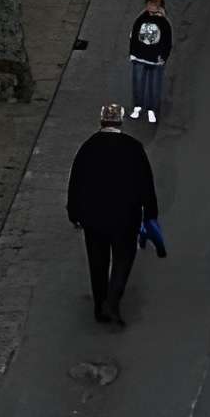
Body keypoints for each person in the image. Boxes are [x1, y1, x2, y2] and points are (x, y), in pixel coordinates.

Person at [64, 103, 158, 326]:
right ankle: (113, 300)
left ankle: (99, 305)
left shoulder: (88, 148)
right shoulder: (133, 147)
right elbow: (146, 182)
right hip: (126, 217)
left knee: (97, 261)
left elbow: (75, 182)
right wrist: (150, 212)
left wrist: (74, 212)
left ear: (101, 121)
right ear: (120, 122)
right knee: (123, 259)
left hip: (94, 218)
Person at [125, 0, 172, 123]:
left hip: (155, 60)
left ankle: (152, 109)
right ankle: (138, 107)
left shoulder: (164, 23)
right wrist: (132, 53)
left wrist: (163, 57)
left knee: (154, 85)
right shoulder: (141, 18)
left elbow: (167, 42)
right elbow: (133, 36)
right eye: (149, 3)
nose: (150, 6)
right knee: (138, 83)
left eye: (153, 4)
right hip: (139, 57)